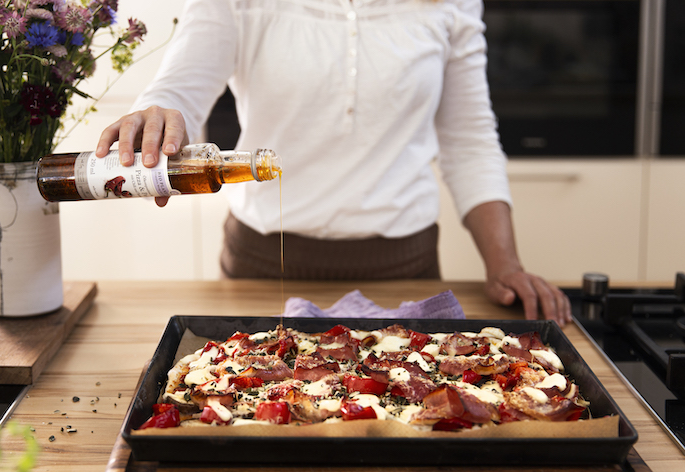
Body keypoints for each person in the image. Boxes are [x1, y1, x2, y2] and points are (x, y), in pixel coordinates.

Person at [95, 0, 572, 324]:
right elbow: (179, 89)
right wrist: (157, 113)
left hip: (406, 274)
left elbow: (469, 140)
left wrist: (504, 263)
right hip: (260, 272)